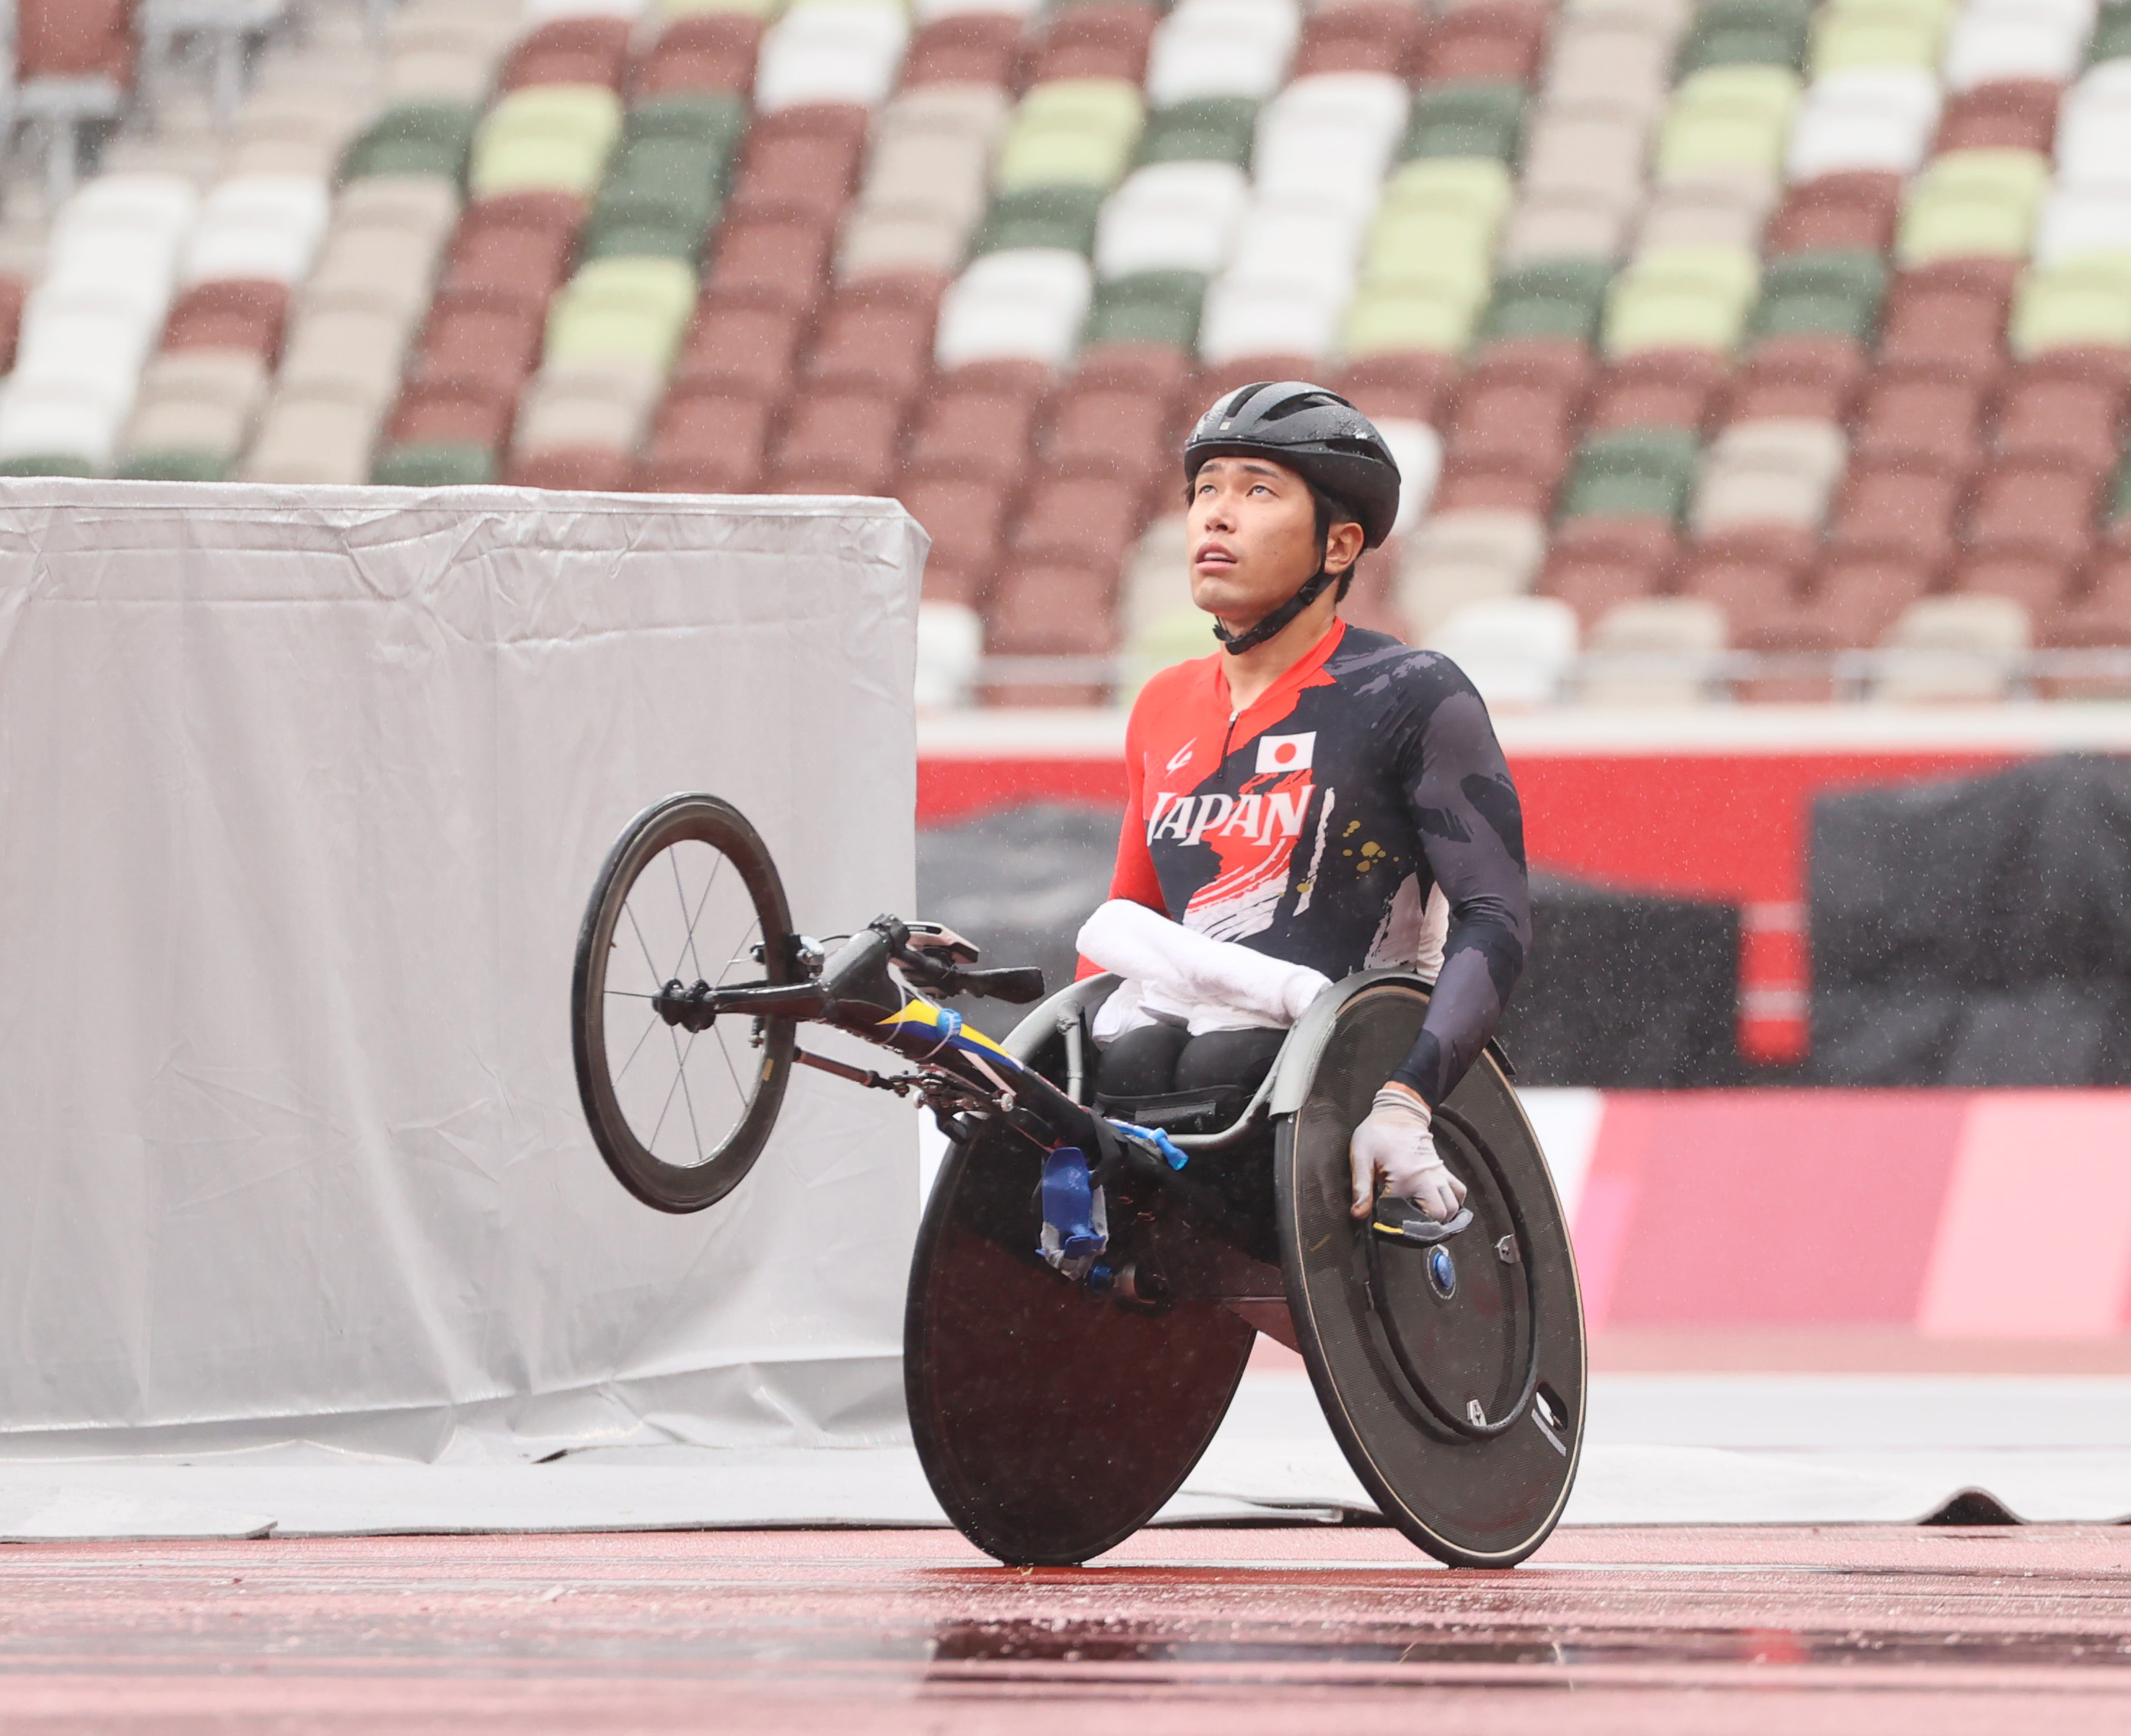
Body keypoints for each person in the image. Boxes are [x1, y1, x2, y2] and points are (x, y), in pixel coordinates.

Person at [1075, 380, 1531, 1230]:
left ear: (1337, 546)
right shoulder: (1161, 703)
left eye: (1256, 490)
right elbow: (1132, 924)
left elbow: (1493, 920)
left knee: (1226, 1057)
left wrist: (1406, 1100)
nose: (1215, 514)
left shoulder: (1413, 692)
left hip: (1333, 1058)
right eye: (1204, 489)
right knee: (1131, 1058)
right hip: (1171, 1056)